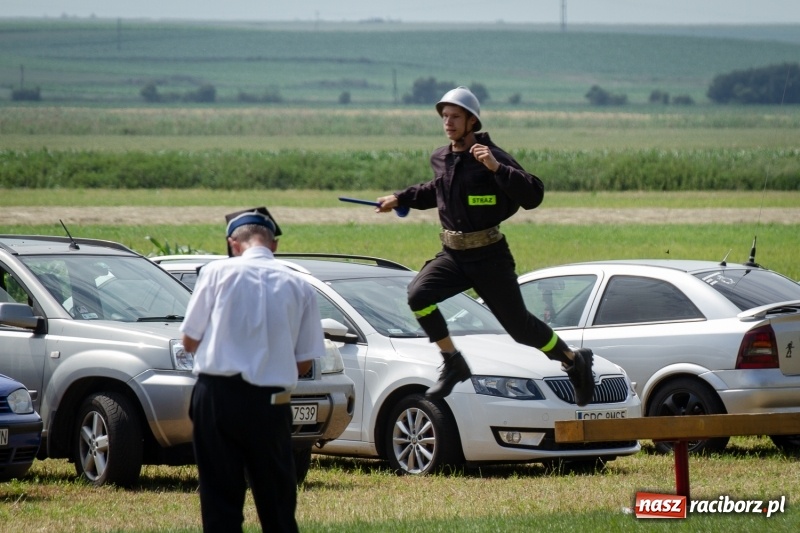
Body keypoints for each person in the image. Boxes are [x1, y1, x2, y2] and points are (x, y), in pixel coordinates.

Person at [375, 86, 595, 406]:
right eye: (444, 117)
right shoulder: (442, 157)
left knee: (521, 330)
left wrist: (496, 168)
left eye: (455, 117)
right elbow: (435, 191)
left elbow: (533, 195)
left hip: (489, 257)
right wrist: (400, 198)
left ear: (472, 121)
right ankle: (453, 362)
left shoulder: (491, 155)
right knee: (418, 295)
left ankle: (572, 360)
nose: (448, 122)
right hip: (453, 255)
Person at [181, 207, 326, 533]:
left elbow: (189, 340)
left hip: (217, 397)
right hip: (270, 404)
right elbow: (304, 361)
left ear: (234, 243)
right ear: (273, 244)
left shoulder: (216, 273)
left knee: (220, 498)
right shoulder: (300, 286)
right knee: (277, 502)